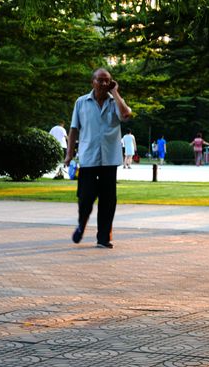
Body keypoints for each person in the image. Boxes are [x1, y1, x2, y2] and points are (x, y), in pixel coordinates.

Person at [65, 67, 132, 249]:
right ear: (92, 82)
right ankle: (81, 225)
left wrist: (116, 93)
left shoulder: (115, 103)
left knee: (108, 201)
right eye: (100, 80)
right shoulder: (81, 103)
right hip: (88, 158)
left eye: (107, 80)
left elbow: (126, 115)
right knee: (85, 198)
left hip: (109, 160)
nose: (103, 83)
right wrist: (69, 154)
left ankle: (103, 237)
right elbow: (73, 129)